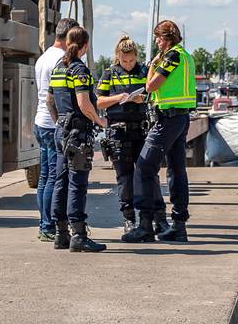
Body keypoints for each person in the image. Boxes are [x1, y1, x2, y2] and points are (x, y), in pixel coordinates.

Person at [122, 20, 196, 244]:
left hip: (168, 119)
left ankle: (145, 225)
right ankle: (179, 225)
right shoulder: (186, 56)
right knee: (176, 170)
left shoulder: (172, 57)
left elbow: (151, 86)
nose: (156, 42)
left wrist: (153, 64)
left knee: (144, 167)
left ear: (167, 38)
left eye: (158, 38)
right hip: (180, 118)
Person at [49, 24, 109, 253]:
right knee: (77, 184)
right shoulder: (79, 70)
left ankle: (60, 234)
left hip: (60, 130)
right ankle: (79, 235)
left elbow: (49, 101)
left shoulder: (58, 68)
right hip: (77, 133)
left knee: (60, 181)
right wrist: (99, 121)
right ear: (85, 45)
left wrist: (60, 122)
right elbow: (84, 103)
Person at [94, 35, 159, 239]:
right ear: (117, 57)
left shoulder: (143, 71)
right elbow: (99, 101)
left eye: (131, 60)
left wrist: (142, 99)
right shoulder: (109, 73)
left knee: (148, 173)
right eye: (124, 61)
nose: (128, 64)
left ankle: (152, 217)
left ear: (136, 57)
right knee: (125, 177)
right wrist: (118, 98)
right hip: (118, 131)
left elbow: (153, 94)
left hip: (141, 130)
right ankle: (129, 218)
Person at [34, 17, 77, 241]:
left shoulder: (43, 58)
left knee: (45, 177)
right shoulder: (62, 60)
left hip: (41, 122)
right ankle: (48, 226)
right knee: (55, 177)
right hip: (54, 124)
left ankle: (44, 223)